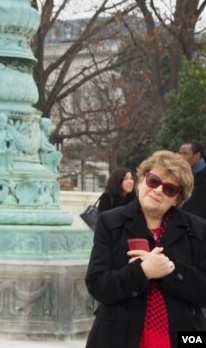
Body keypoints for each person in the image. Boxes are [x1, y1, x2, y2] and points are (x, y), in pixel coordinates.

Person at [85, 150, 206, 348]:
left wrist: (170, 270)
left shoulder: (198, 229)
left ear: (177, 198)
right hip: (117, 337)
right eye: (153, 181)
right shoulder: (110, 222)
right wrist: (142, 272)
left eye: (169, 189)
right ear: (142, 179)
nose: (158, 190)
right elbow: (98, 285)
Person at [179, 141, 206, 219]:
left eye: (185, 153)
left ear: (197, 155)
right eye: (180, 153)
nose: (181, 157)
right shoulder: (179, 176)